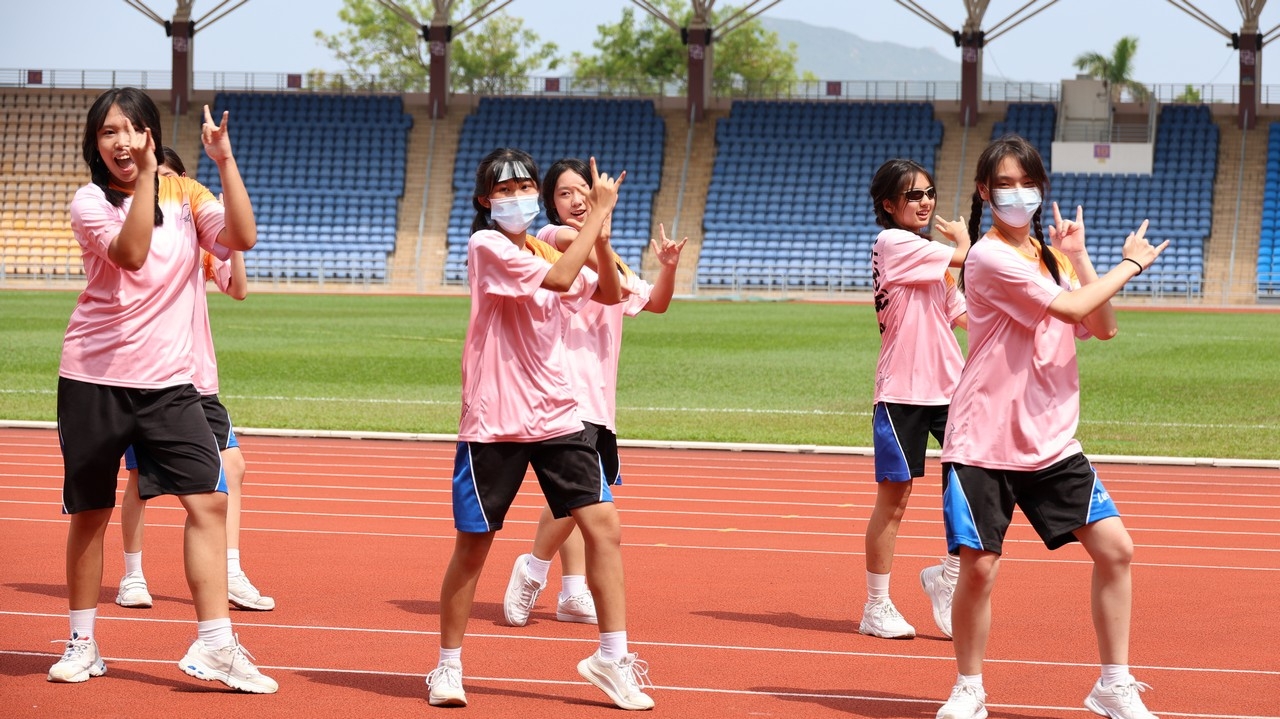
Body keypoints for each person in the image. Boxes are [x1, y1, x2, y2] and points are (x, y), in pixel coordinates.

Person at [50, 88, 276, 694]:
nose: (122, 142)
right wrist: (151, 176)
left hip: (171, 383)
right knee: (91, 514)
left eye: (133, 129)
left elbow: (242, 238)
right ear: (95, 143)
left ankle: (216, 644)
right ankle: (82, 642)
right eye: (109, 132)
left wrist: (224, 161)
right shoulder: (90, 201)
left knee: (209, 503)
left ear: (151, 133)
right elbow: (130, 253)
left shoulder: (188, 195)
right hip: (95, 379)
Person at [934, 135, 1166, 719]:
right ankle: (969, 687)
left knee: (1116, 550)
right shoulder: (987, 258)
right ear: (985, 192)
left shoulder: (1050, 258)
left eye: (1027, 183)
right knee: (979, 570)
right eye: (1004, 185)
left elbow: (1102, 327)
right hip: (984, 439)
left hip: (1051, 439)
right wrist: (1131, 264)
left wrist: (1079, 257)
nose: (1018, 194)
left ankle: (1113, 684)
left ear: (1041, 188)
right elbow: (1068, 309)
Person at [424, 148, 655, 711]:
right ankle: (447, 666)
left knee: (605, 528)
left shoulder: (542, 246)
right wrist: (598, 216)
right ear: (485, 201)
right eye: (504, 190)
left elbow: (608, 294)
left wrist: (600, 234)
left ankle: (612, 657)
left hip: (556, 414)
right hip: (496, 419)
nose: (517, 197)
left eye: (525, 186)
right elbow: (560, 277)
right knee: (473, 549)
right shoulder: (487, 246)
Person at [503, 157, 686, 629]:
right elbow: (578, 248)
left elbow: (657, 303)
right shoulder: (551, 238)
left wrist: (667, 268)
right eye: (564, 193)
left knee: (575, 499)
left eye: (582, 190)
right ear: (551, 204)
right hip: (564, 390)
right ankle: (533, 569)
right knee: (584, 497)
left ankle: (571, 591)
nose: (576, 199)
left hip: (600, 397)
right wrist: (600, 224)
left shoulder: (612, 259)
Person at [114, 147, 272, 613]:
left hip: (198, 377)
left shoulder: (199, 238)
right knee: (140, 478)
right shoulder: (148, 238)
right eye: (153, 177)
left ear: (184, 181)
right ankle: (132, 574)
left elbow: (237, 289)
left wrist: (230, 236)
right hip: (152, 374)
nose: (159, 185)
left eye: (167, 176)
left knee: (233, 468)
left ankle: (230, 570)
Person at [860, 159, 968, 640]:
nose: (925, 202)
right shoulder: (892, 243)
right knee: (895, 498)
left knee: (975, 483)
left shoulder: (929, 257)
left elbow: (961, 316)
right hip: (902, 389)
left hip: (952, 387)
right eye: (913, 195)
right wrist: (964, 242)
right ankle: (876, 606)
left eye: (929, 192)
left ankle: (947, 576)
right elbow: (965, 257)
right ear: (888, 204)